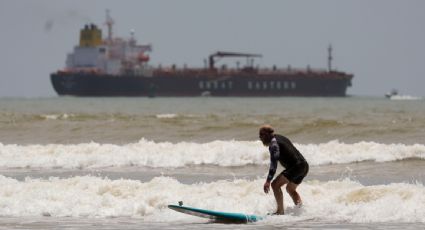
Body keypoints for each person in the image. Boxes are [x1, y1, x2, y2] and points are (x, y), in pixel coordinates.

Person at [259, 125, 309, 215]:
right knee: (290, 189)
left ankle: (280, 211)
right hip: (304, 166)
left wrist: (268, 181)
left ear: (266, 134)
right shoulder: (280, 137)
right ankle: (301, 211)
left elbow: (273, 165)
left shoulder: (273, 145)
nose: (260, 138)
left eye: (261, 135)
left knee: (275, 185)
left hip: (296, 167)